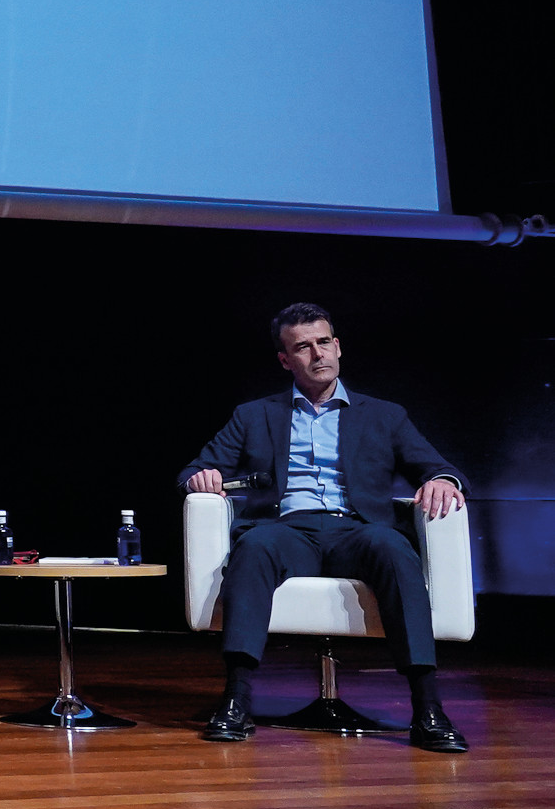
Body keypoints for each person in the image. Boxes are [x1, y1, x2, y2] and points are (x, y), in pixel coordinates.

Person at [178, 302, 468, 753]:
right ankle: (236, 700)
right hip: (287, 530)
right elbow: (194, 470)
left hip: (357, 530)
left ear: (338, 346)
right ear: (284, 359)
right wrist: (203, 478)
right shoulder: (254, 415)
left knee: (394, 549)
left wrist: (443, 480)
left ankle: (429, 709)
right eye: (303, 347)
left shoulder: (384, 415)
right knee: (254, 547)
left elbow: (436, 466)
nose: (317, 354)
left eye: (324, 342)